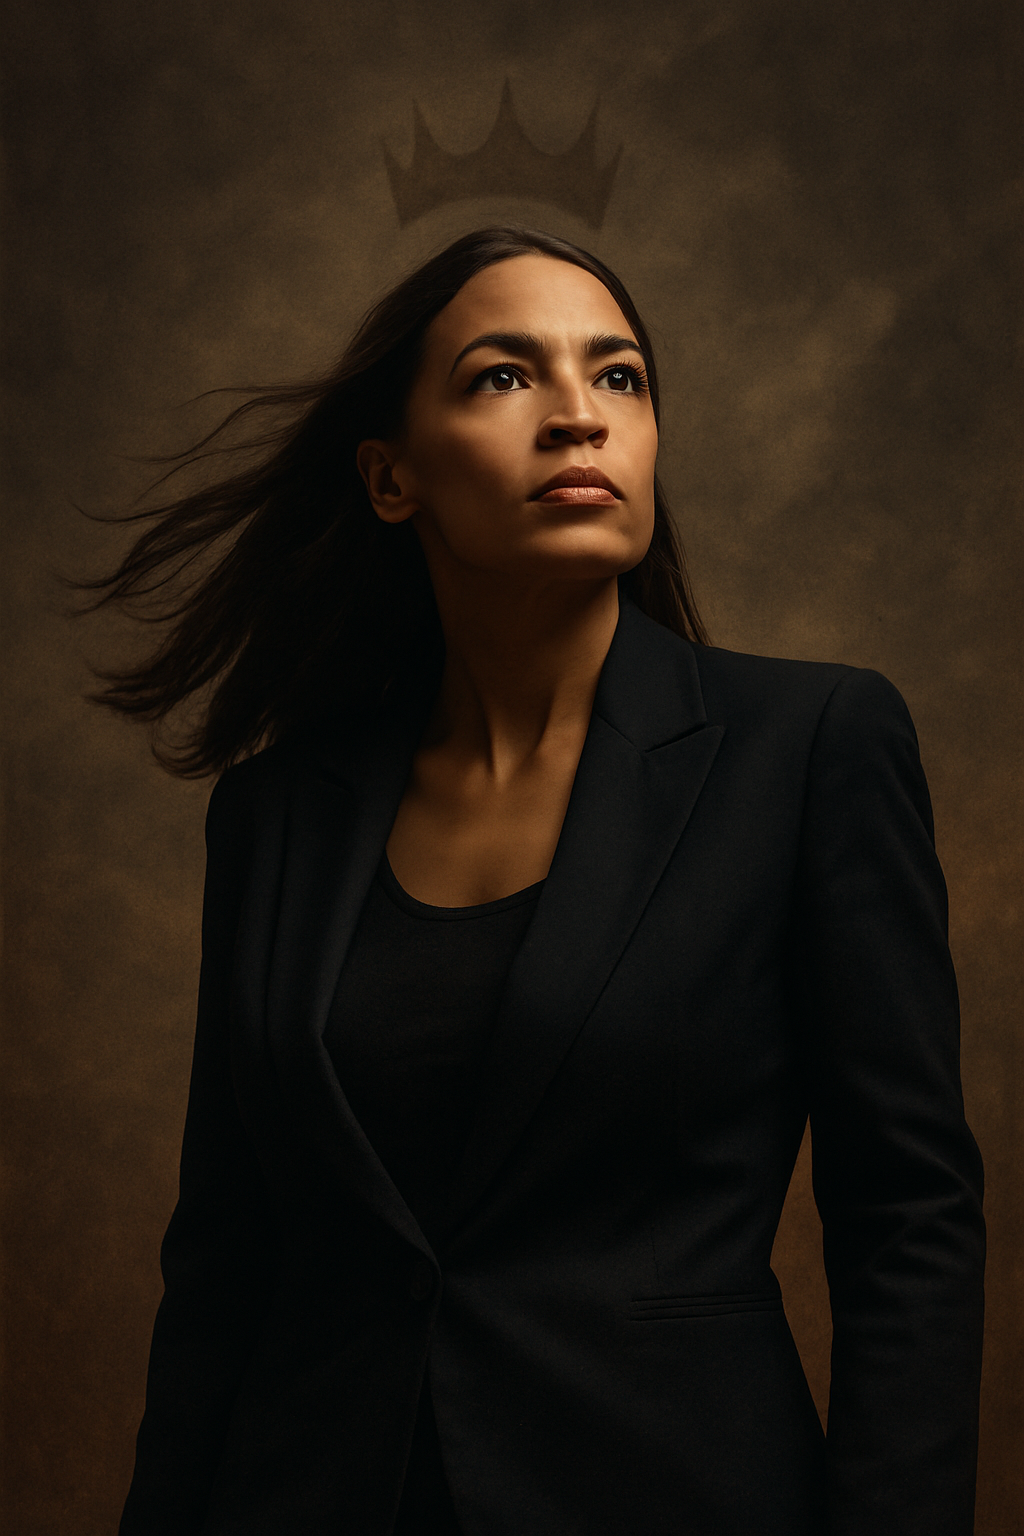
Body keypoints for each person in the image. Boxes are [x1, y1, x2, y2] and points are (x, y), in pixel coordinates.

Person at [86, 226, 985, 1535]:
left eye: (619, 377)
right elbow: (227, 1261)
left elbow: (911, 1220)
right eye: (506, 377)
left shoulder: (812, 751)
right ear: (391, 478)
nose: (579, 416)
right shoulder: (278, 815)